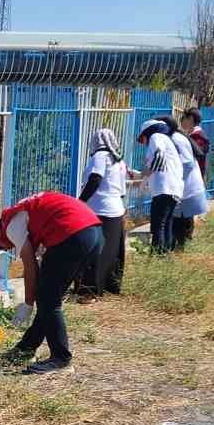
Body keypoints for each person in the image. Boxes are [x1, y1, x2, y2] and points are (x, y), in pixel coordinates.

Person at [0, 191, 104, 374]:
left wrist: (28, 304)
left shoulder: (10, 226)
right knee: (49, 297)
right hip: (93, 232)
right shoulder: (21, 212)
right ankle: (26, 348)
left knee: (47, 299)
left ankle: (61, 359)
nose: (4, 248)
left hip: (73, 234)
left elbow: (30, 265)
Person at [75, 127, 127, 301]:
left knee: (94, 250)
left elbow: (95, 179)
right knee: (112, 251)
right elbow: (121, 190)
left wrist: (80, 202)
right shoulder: (118, 161)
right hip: (116, 210)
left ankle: (89, 291)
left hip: (99, 209)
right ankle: (110, 286)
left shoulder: (100, 156)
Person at [134, 119, 184, 252]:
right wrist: (143, 176)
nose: (143, 143)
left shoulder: (156, 137)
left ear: (148, 133)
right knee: (166, 223)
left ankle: (158, 254)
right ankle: (166, 254)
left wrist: (146, 174)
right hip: (173, 188)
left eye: (142, 138)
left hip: (164, 188)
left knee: (158, 225)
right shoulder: (166, 140)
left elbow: (158, 157)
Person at [171, 110, 211, 251]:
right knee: (185, 214)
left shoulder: (198, 136)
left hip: (191, 179)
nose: (182, 122)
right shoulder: (192, 136)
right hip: (192, 178)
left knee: (186, 215)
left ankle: (184, 243)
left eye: (184, 118)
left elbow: (195, 157)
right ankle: (183, 242)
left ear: (191, 119)